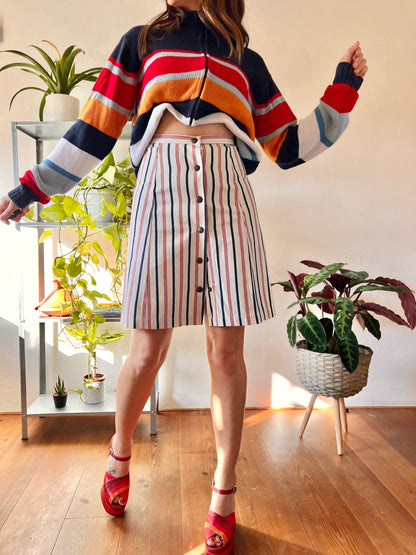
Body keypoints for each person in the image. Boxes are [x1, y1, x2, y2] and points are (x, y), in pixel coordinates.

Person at [0, 0, 367, 552]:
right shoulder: (141, 40)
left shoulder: (245, 57)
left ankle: (224, 490)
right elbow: (95, 129)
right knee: (146, 352)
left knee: (226, 354)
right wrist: (31, 187)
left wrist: (342, 89)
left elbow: (287, 145)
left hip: (227, 201)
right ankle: (119, 450)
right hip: (160, 192)